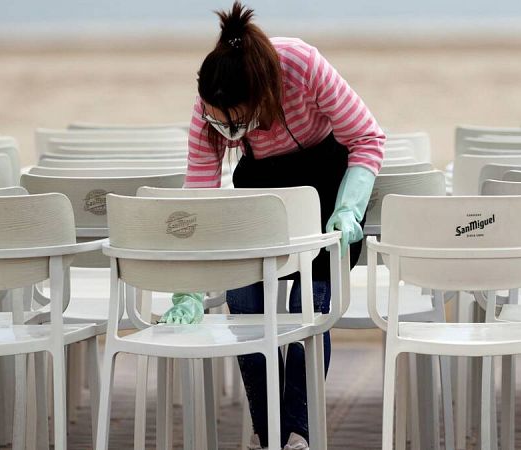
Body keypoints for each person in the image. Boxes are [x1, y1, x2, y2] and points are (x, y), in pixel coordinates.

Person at [159, 2, 385, 449]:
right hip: (259, 188)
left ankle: (299, 433)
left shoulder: (302, 65)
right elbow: (199, 193)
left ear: (262, 94)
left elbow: (367, 137)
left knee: (311, 305)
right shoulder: (210, 105)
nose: (225, 131)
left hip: (326, 184)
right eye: (217, 123)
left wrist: (349, 209)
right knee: (244, 306)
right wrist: (186, 285)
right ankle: (269, 435)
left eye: (236, 123)